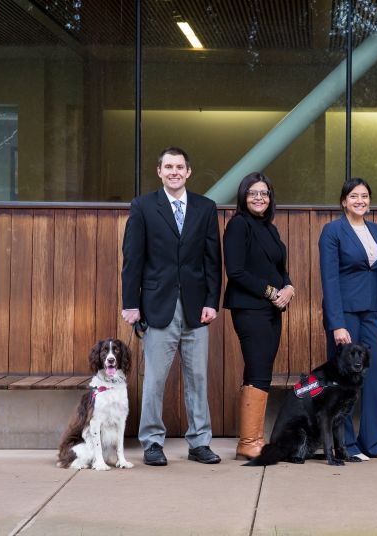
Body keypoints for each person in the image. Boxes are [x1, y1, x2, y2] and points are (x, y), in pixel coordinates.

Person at [121, 146, 222, 466]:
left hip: (196, 308)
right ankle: (152, 442)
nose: (174, 171)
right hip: (157, 305)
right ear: (159, 171)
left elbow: (212, 261)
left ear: (188, 172)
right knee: (155, 379)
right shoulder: (143, 206)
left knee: (197, 378)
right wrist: (130, 304)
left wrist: (212, 303)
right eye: (168, 167)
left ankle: (199, 442)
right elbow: (132, 259)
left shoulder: (206, 208)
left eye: (180, 166)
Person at [319, 177, 377, 460]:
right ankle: (347, 445)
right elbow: (329, 279)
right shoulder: (332, 231)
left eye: (364, 196)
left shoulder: (376, 230)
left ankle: (372, 444)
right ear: (343, 201)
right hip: (346, 313)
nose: (360, 201)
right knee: (344, 379)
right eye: (354, 196)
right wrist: (337, 323)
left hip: (372, 314)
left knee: (373, 377)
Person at [223, 172, 294, 460]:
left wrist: (288, 286)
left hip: (272, 310)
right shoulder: (238, 225)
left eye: (264, 193)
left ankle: (252, 440)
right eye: (253, 193)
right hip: (250, 309)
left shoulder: (270, 229)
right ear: (243, 196)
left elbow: (279, 267)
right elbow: (236, 271)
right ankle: (249, 441)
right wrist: (271, 292)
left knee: (260, 369)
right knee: (258, 370)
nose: (259, 197)